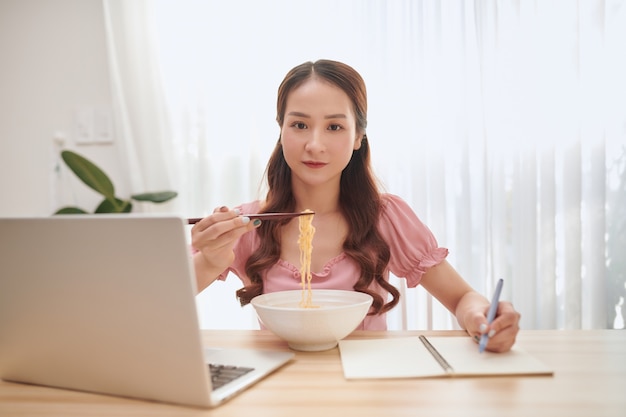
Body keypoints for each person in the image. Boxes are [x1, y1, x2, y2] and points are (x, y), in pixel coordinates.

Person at [191, 59, 520, 352]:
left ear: (358, 136)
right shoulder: (248, 224)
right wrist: (210, 260)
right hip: (280, 391)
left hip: (368, 392)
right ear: (281, 131)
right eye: (299, 125)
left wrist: (482, 318)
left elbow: (463, 297)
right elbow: (158, 307)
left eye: (334, 126)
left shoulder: (387, 217)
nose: (314, 144)